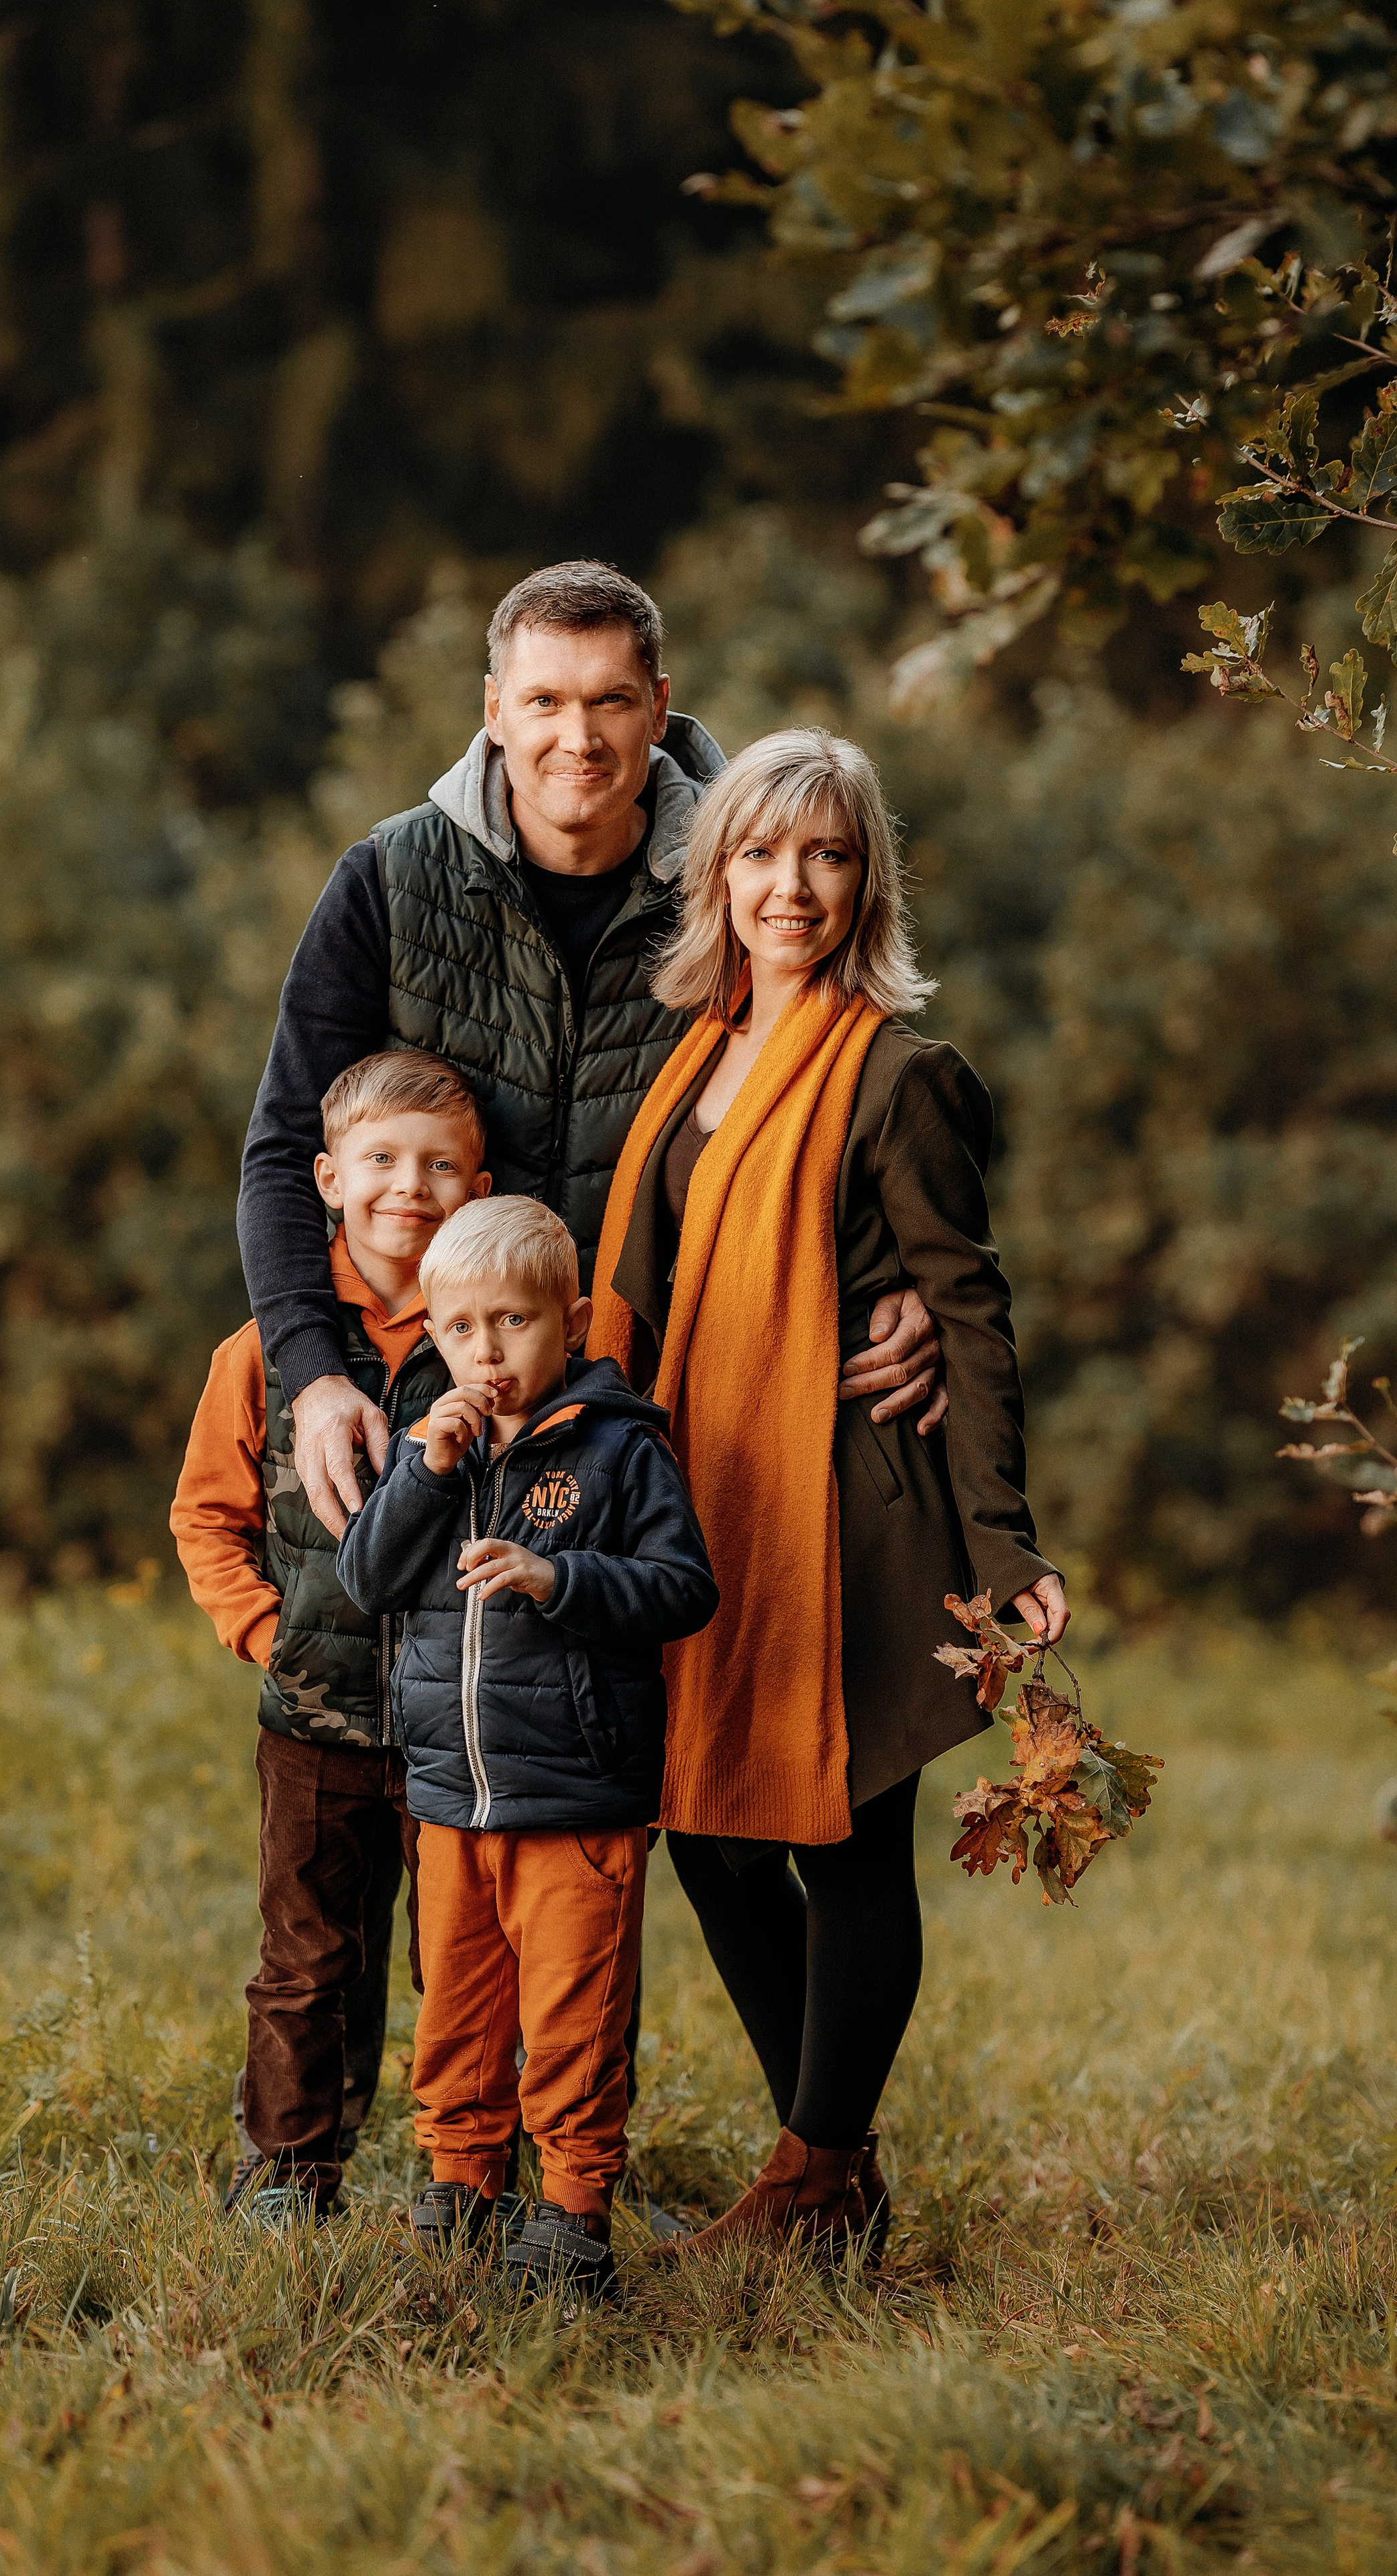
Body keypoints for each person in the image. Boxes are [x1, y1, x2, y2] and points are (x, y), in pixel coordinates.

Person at [236, 559, 948, 2155]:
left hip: (652, 1416)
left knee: (600, 1795)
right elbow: (287, 1142)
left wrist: (899, 1283)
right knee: (358, 1769)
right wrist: (318, 1370)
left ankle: (585, 2174)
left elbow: (855, 1080)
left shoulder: (741, 864)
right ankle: (317, 2155)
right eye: (543, 702)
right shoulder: (393, 877)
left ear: (659, 708)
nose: (577, 737)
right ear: (492, 711)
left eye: (610, 701)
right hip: (411, 1392)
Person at [589, 727, 1070, 2257]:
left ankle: (811, 2173)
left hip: (847, 1511)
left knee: (842, 1836)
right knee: (703, 1827)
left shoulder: (901, 1075)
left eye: (824, 855)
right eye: (756, 852)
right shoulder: (691, 1058)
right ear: (712, 874)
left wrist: (1000, 1541)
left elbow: (969, 1309)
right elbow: (646, 1292)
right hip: (698, 1499)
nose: (786, 886)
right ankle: (830, 2167)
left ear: (865, 880)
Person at [337, 1196, 717, 2301]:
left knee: (571, 2017)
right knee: (455, 2005)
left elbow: (684, 1588)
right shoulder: (437, 1442)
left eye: (512, 1323)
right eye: (460, 1329)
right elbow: (367, 1579)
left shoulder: (618, 1450)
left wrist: (559, 1578)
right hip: (451, 1795)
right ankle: (461, 2181)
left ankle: (571, 2209)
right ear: (434, 1332)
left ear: (573, 1321)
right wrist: (424, 1469)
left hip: (576, 1797)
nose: (486, 1352)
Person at [172, 1049, 490, 2222]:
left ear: (480, 1182)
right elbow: (206, 1515)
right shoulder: (269, 1351)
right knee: (310, 1963)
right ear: (326, 1178)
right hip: (316, 1726)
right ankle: (291, 2170)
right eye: (383, 1161)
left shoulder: (503, 1334)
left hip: (470, 1723)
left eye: (441, 1165)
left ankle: (473, 2179)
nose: (411, 1185)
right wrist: (268, 1636)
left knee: (466, 1963)